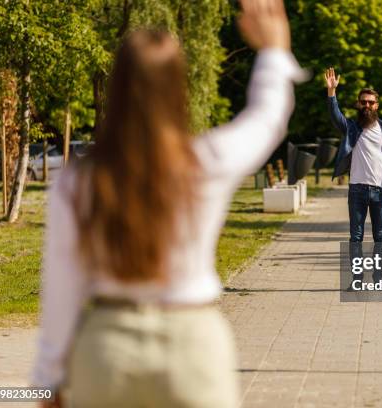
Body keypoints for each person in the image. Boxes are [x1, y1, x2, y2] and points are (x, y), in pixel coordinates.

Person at [32, 1, 306, 406]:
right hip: (192, 345)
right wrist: (273, 51)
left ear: (117, 88)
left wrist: (47, 379)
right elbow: (266, 118)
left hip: (106, 348)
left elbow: (60, 286)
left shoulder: (79, 181)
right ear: (178, 87)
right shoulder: (206, 161)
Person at [325, 67, 382, 245]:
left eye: (370, 102)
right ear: (358, 104)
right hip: (357, 190)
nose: (367, 105)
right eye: (363, 102)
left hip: (381, 190)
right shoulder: (351, 127)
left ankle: (379, 274)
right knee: (356, 237)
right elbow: (335, 116)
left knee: (381, 237)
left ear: (376, 105)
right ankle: (357, 274)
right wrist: (332, 91)